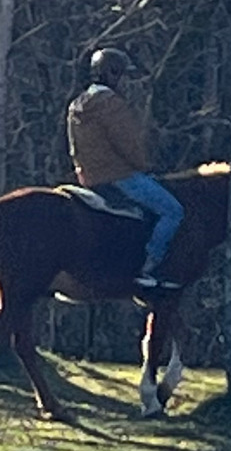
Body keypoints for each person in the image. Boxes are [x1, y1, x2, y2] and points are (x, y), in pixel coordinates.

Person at [66, 47, 184, 291]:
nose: (125, 82)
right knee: (172, 211)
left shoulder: (76, 106)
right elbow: (128, 145)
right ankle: (148, 266)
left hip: (89, 178)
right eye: (122, 75)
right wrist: (145, 165)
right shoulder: (112, 105)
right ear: (111, 74)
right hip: (120, 176)